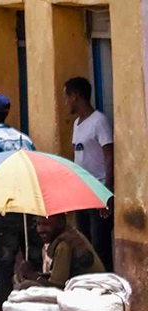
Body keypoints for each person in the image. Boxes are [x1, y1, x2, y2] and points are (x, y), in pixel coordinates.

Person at [0, 93, 40, 311]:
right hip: (30, 210)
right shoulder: (25, 138)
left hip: (6, 210)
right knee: (34, 266)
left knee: (4, 270)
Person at [67, 76, 116, 267]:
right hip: (82, 191)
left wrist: (107, 193)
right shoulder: (77, 124)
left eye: (67, 97)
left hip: (98, 190)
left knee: (100, 246)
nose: (66, 102)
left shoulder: (99, 122)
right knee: (84, 244)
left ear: (77, 96)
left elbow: (109, 156)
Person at [19, 214, 107, 289]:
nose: (40, 229)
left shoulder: (64, 245)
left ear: (60, 224)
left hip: (91, 289)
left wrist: (31, 274)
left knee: (26, 286)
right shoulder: (69, 235)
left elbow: (56, 287)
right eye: (38, 224)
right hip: (84, 286)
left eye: (46, 224)